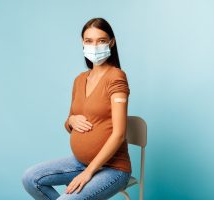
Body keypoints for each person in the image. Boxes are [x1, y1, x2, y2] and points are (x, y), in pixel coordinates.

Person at [22, 17, 132, 200]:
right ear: (83, 43)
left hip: (113, 168)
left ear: (111, 43)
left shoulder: (116, 77)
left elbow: (119, 134)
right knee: (30, 178)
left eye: (101, 41)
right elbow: (70, 120)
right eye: (89, 41)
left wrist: (88, 172)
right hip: (80, 162)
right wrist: (71, 121)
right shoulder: (80, 79)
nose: (94, 46)